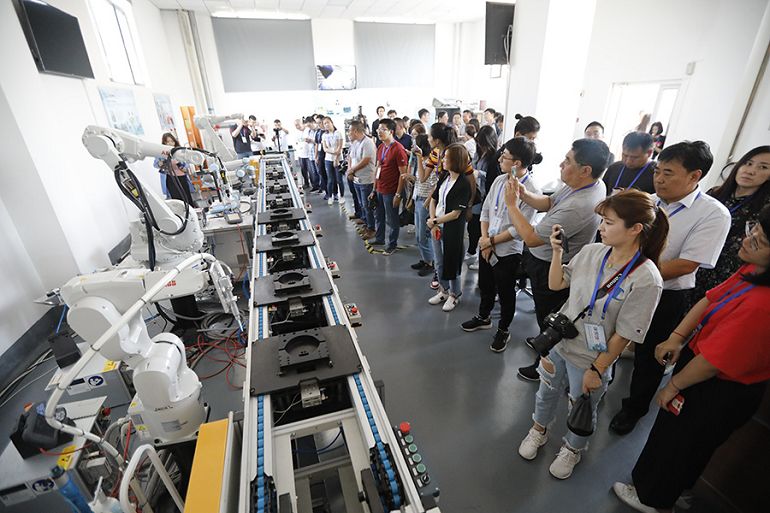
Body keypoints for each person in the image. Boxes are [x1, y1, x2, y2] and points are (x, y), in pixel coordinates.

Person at [613, 205, 770, 513]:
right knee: (686, 440)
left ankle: (652, 499)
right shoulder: (754, 270)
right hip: (701, 364)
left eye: (760, 240)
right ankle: (675, 489)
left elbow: (713, 362)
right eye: (753, 229)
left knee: (680, 441)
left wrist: (673, 387)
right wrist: (677, 336)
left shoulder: (762, 306)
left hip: (718, 386)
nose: (747, 239)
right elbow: (710, 299)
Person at [518, 189, 667, 479]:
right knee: (546, 392)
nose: (601, 227)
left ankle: (573, 448)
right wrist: (557, 253)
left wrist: (598, 370)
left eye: (609, 222)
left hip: (593, 358)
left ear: (635, 229)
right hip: (560, 344)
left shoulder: (647, 279)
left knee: (582, 405)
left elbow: (624, 334)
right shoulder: (592, 252)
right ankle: (539, 429)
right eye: (602, 220)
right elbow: (557, 284)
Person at [609, 141, 731, 436]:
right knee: (611, 336)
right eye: (658, 172)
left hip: (665, 294)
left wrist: (632, 272)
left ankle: (634, 408)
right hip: (625, 283)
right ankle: (595, 380)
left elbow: (687, 264)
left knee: (648, 357)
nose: (659, 179)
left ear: (694, 176)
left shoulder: (713, 214)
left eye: (668, 173)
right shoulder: (649, 202)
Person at [507, 139, 610, 379]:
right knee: (546, 314)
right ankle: (544, 349)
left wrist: (512, 205)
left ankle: (544, 366)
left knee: (550, 318)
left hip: (551, 266)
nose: (561, 164)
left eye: (568, 161)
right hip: (544, 260)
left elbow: (531, 238)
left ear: (585, 170)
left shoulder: (581, 204)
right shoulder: (584, 184)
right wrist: (524, 194)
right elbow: (550, 202)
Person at [461, 137, 543, 351]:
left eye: (504, 156)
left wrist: (490, 241)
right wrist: (485, 240)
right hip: (487, 244)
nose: (499, 159)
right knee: (485, 285)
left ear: (517, 163)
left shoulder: (531, 190)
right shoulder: (499, 180)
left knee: (506, 293)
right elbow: (486, 210)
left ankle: (504, 329)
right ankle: (484, 316)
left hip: (508, 251)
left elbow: (519, 229)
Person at [690, 146, 770, 303]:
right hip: (694, 265)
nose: (750, 171)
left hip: (726, 276)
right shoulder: (714, 194)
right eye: (748, 163)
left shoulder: (764, 210)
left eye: (763, 167)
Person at [427, 143, 473, 311]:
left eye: (446, 157)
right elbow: (434, 200)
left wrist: (435, 221)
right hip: (437, 226)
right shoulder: (444, 178)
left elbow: (455, 213)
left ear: (456, 160)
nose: (443, 160)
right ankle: (443, 290)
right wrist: (433, 220)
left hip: (451, 229)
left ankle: (455, 294)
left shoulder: (463, 184)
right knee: (439, 262)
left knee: (452, 262)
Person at [369, 118, 408, 255]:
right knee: (379, 216)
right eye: (378, 129)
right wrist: (374, 189)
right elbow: (378, 168)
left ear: (391, 131)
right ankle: (380, 238)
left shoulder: (398, 149)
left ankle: (392, 244)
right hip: (380, 188)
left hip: (391, 190)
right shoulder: (381, 147)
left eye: (383, 129)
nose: (379, 132)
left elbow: (403, 174)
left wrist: (398, 194)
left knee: (392, 219)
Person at [466, 125, 498, 269]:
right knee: (473, 225)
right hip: (476, 193)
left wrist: (479, 174)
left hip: (486, 195)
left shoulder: (494, 157)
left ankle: (481, 257)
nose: (480, 145)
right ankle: (472, 251)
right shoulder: (479, 153)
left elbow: (493, 177)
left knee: (482, 228)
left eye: (482, 142)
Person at [410, 134, 437, 275]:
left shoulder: (431, 161)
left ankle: (430, 262)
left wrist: (427, 202)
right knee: (418, 234)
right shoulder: (422, 161)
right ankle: (425, 259)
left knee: (424, 235)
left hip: (425, 201)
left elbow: (432, 184)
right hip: (418, 198)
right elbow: (419, 180)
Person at [347, 121, 377, 240]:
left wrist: (352, 170)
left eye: (349, 131)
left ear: (355, 131)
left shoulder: (368, 142)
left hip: (366, 180)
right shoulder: (355, 143)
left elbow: (366, 160)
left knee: (367, 206)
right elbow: (350, 157)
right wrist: (350, 170)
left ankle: (371, 228)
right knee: (361, 204)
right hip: (356, 179)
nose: (348, 133)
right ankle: (366, 223)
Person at [154, 132, 195, 205]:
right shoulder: (161, 152)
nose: (170, 143)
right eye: (167, 142)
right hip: (170, 179)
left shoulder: (180, 151)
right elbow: (155, 164)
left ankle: (191, 210)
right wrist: (160, 163)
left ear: (175, 142)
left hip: (182, 178)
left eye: (172, 141)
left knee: (187, 199)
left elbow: (187, 165)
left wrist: (182, 166)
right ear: (164, 143)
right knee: (177, 201)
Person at [322, 117, 344, 206]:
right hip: (328, 159)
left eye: (328, 122)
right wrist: (333, 151)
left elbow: (339, 148)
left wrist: (335, 159)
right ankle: (330, 196)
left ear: (332, 122)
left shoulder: (338, 133)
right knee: (330, 180)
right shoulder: (324, 135)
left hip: (338, 159)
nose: (326, 125)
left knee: (339, 179)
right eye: (324, 123)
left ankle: (341, 196)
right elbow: (325, 148)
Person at [314, 114, 328, 198]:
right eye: (317, 123)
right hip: (320, 156)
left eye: (319, 122)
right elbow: (316, 144)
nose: (318, 125)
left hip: (328, 156)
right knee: (322, 173)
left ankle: (334, 192)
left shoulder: (327, 132)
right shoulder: (318, 132)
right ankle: (327, 192)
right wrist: (316, 156)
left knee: (330, 175)